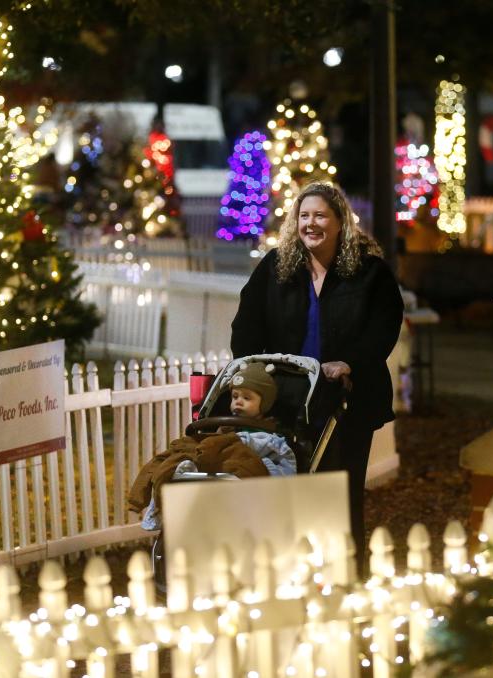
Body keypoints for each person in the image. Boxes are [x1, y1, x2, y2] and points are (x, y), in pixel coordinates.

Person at [230, 180, 404, 568]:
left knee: (341, 488)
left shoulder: (368, 271)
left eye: (321, 216)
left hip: (347, 398)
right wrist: (257, 368)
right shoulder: (277, 267)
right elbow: (246, 325)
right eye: (304, 215)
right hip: (288, 397)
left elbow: (384, 327)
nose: (311, 224)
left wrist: (351, 363)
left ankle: (347, 568)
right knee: (288, 485)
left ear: (341, 221)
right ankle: (293, 566)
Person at [127, 361, 295, 531]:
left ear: (264, 404)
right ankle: (188, 473)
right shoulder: (226, 428)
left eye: (247, 398)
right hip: (219, 470)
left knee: (235, 456)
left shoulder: (270, 433)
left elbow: (278, 455)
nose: (238, 402)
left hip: (243, 468)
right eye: (235, 396)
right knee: (184, 452)